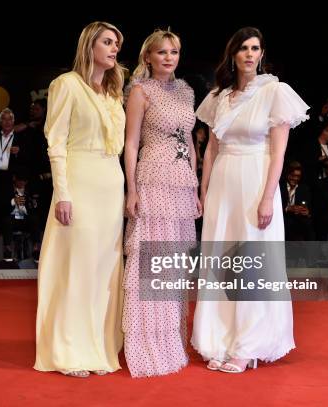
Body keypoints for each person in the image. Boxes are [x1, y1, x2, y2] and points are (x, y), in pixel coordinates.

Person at [191, 27, 309, 373]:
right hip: (223, 186)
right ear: (233, 53)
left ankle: (249, 345)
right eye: (243, 48)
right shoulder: (217, 96)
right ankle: (220, 340)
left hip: (256, 181)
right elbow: (211, 149)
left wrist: (268, 198)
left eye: (255, 48)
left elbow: (278, 154)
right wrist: (204, 189)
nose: (249, 54)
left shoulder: (275, 92)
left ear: (261, 54)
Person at [34, 21, 126, 378]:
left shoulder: (113, 91)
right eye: (107, 41)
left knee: (103, 269)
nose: (114, 48)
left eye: (116, 43)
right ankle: (69, 348)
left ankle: (98, 347)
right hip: (79, 180)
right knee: (76, 266)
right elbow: (55, 143)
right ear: (89, 45)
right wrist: (63, 193)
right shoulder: (66, 85)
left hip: (110, 182)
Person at [122, 29, 200, 377]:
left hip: (182, 184)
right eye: (162, 52)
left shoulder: (186, 91)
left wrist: (195, 187)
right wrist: (132, 190)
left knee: (174, 266)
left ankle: (170, 339)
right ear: (148, 57)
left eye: (175, 52)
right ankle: (147, 343)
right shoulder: (140, 91)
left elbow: (192, 142)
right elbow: (131, 143)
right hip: (152, 179)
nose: (169, 58)